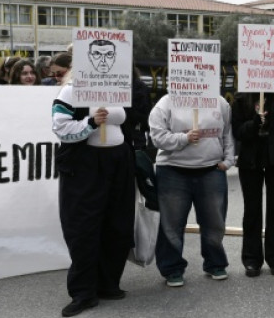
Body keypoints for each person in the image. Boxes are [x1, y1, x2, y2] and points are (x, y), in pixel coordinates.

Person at [51, 56, 134, 317]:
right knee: (83, 228)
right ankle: (83, 292)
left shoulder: (118, 88)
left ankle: (109, 283)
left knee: (117, 224)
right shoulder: (70, 91)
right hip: (85, 165)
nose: (104, 64)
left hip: (118, 162)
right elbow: (61, 128)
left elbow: (128, 120)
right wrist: (90, 123)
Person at [149, 92, 235, 287]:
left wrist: (229, 160)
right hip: (173, 170)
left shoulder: (219, 102)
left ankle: (215, 263)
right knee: (171, 224)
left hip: (211, 169)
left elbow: (227, 133)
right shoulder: (166, 102)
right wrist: (184, 138)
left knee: (215, 220)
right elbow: (157, 137)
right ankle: (172, 268)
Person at [232, 90, 274, 277]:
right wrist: (255, 122)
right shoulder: (241, 99)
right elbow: (238, 131)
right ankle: (252, 259)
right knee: (252, 210)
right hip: (250, 161)